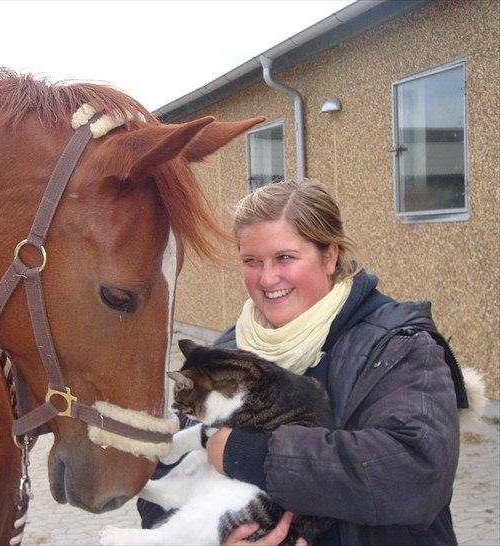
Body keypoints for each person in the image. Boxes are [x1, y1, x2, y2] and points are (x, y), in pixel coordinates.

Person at [138, 179, 469, 545]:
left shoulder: (399, 346)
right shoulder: (227, 352)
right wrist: (214, 540)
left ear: (329, 256)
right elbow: (165, 475)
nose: (267, 278)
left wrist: (250, 455)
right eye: (251, 261)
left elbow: (414, 474)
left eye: (285, 257)